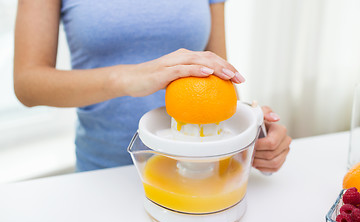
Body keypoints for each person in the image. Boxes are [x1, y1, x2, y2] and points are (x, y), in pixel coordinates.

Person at [14, 0, 291, 173]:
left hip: (199, 168)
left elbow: (217, 74)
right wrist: (127, 78)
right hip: (104, 175)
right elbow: (28, 83)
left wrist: (251, 130)